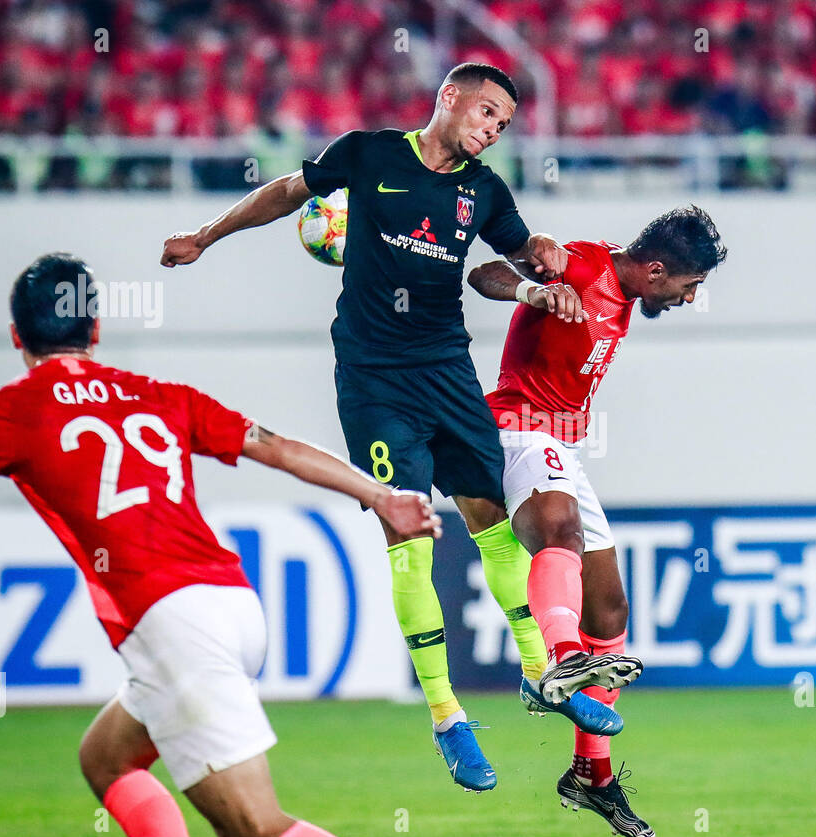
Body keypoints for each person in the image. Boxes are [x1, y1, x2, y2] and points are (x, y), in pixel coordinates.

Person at [159, 62, 635, 792]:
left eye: (502, 124)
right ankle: (448, 719)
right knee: (410, 534)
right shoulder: (370, 154)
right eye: (485, 112)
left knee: (493, 524)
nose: (490, 128)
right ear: (449, 99)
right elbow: (288, 193)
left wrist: (539, 267)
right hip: (376, 383)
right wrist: (206, 233)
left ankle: (543, 672)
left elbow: (508, 259)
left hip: (447, 372)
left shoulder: (484, 191)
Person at [0, 253, 441, 837]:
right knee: (105, 759)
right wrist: (379, 495)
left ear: (15, 336)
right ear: (95, 330)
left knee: (253, 833)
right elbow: (277, 447)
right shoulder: (156, 394)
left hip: (172, 624)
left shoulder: (6, 414)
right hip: (234, 604)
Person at [468, 205, 727, 837]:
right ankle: (561, 661)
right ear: (658, 269)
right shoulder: (579, 264)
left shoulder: (622, 288)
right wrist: (533, 287)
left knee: (609, 613)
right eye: (688, 285)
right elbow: (484, 274)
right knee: (560, 534)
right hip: (516, 429)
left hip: (563, 446)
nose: (690, 298)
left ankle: (591, 774)